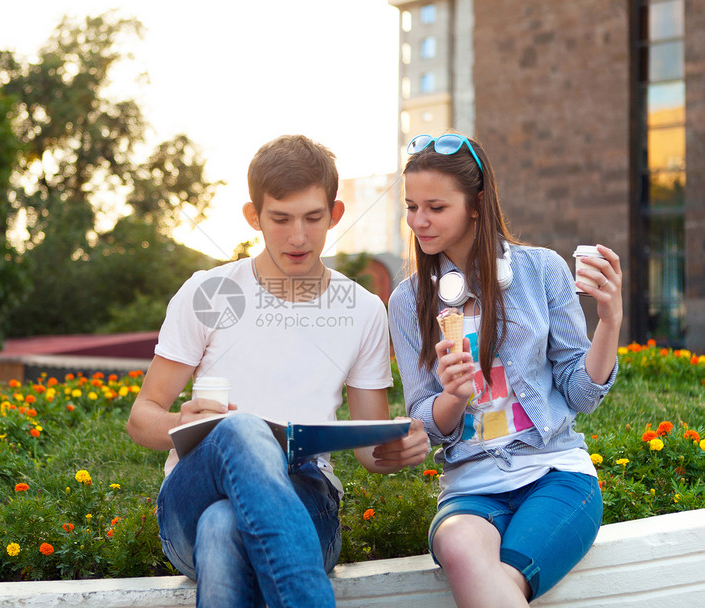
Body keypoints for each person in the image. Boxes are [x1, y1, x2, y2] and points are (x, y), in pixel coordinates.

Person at [126, 134, 429, 608]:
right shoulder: (210, 292)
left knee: (224, 526)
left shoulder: (365, 310)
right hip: (191, 497)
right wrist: (185, 425)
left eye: (313, 218)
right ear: (254, 216)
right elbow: (142, 417)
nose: (298, 237)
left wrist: (402, 445)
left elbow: (371, 452)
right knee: (240, 430)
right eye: (280, 219)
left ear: (335, 214)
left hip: (309, 499)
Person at [387, 133, 623, 607]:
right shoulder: (406, 300)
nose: (419, 221)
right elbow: (424, 419)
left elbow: (579, 393)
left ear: (475, 205)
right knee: (457, 545)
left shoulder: (543, 271)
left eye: (435, 207)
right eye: (412, 207)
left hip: (554, 472)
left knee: (502, 581)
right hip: (469, 488)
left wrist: (610, 321)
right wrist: (453, 397)